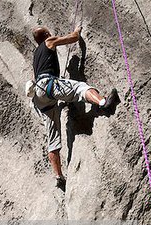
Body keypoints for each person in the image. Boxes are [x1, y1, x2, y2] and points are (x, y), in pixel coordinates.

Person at [31, 26, 120, 192]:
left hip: (39, 96)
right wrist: (77, 31)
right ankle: (102, 103)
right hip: (49, 84)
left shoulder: (35, 55)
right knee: (79, 87)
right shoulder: (49, 41)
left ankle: (58, 176)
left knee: (53, 135)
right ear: (47, 35)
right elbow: (72, 38)